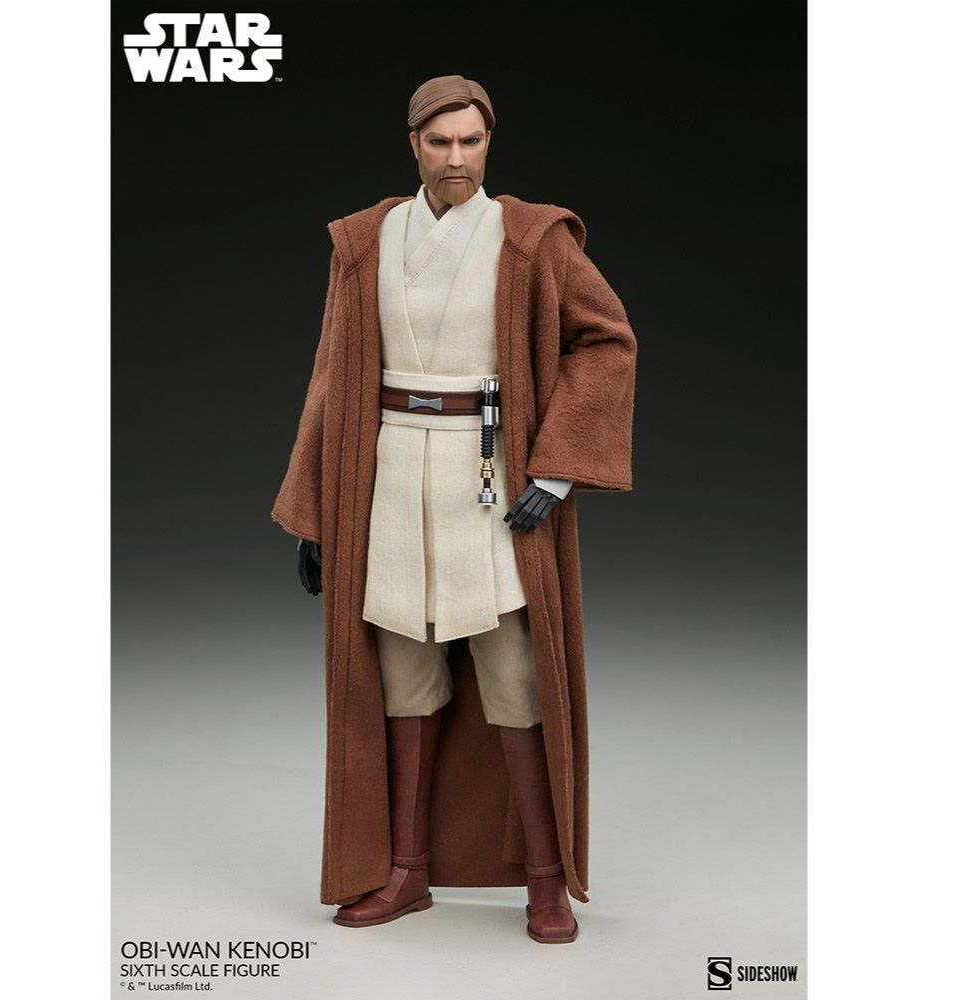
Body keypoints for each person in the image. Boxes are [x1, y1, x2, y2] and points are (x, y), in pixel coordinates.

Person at [272, 74, 637, 944]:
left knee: (514, 672)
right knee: (404, 673)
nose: (456, 157)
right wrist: (315, 510)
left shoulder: (530, 238)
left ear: (489, 143)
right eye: (439, 141)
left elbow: (606, 340)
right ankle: (405, 871)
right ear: (414, 146)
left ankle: (544, 880)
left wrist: (556, 468)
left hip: (489, 474)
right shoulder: (366, 240)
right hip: (391, 471)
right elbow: (332, 373)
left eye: (470, 140)